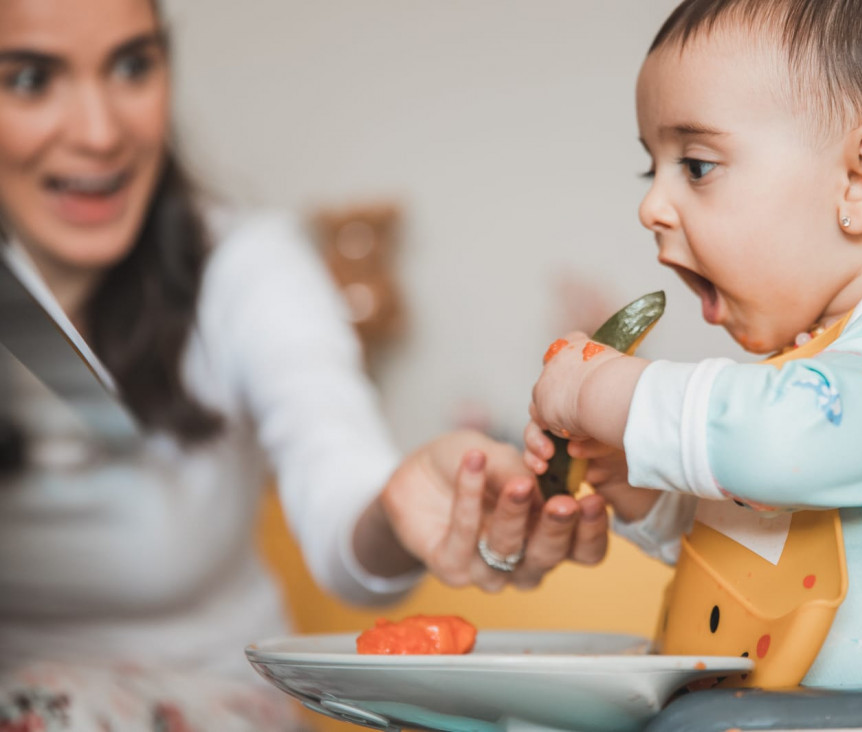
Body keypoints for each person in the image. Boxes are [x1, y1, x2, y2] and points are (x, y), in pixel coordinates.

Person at [0, 0, 609, 729]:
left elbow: (338, 486)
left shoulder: (246, 268)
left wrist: (395, 507)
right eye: (30, 80)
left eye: (132, 66)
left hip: (213, 697)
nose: (101, 133)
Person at [524, 0, 862, 688]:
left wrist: (608, 391)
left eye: (696, 165)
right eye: (650, 171)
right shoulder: (821, 363)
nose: (650, 207)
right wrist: (644, 485)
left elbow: (781, 443)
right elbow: (772, 526)